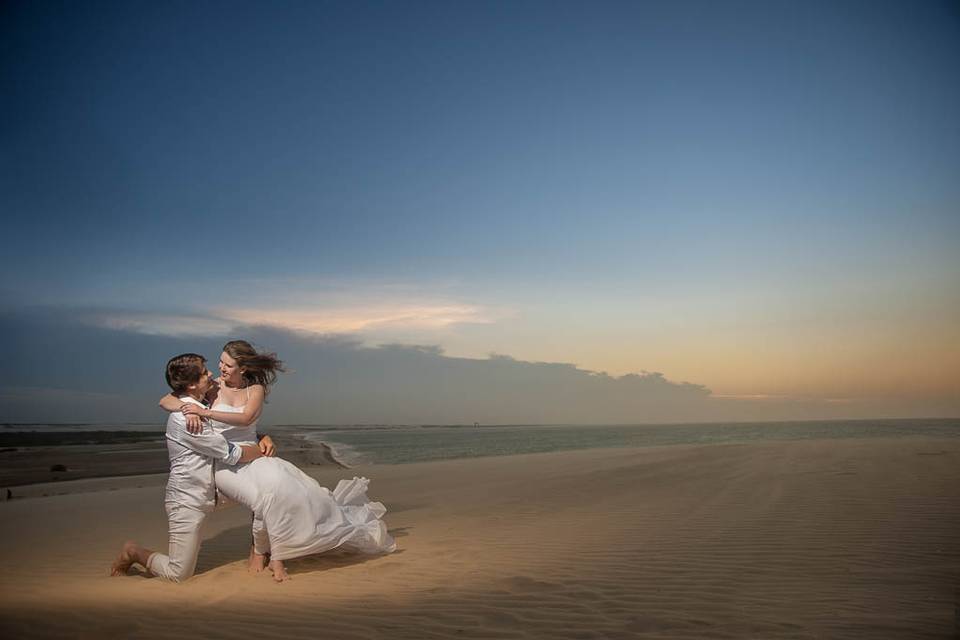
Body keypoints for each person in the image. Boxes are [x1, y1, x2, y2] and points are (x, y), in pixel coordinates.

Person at [160, 340, 396, 582]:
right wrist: (185, 408)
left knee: (294, 490)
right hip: (228, 460)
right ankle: (268, 553)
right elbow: (166, 400)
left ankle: (267, 552)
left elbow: (245, 419)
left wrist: (253, 433)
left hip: (252, 453)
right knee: (263, 499)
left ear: (243, 368)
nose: (220, 368)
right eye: (220, 362)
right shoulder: (212, 388)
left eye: (227, 365)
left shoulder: (255, 389)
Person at [110, 353, 265, 582]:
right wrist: (262, 449)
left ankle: (260, 554)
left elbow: (229, 427)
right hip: (187, 500)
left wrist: (264, 435)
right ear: (192, 384)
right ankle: (133, 552)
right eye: (205, 372)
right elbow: (231, 452)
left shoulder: (199, 404)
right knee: (179, 573)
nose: (211, 373)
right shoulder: (186, 420)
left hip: (217, 492)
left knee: (264, 494)